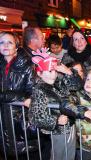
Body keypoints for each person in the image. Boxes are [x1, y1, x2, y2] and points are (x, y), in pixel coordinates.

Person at [29, 48, 91, 160]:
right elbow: (35, 117)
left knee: (69, 156)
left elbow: (76, 86)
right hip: (56, 132)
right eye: (50, 71)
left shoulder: (58, 84)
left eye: (54, 71)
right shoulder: (39, 90)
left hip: (69, 128)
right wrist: (56, 120)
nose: (53, 74)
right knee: (58, 156)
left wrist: (68, 71)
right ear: (40, 73)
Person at [0, 31, 37, 159]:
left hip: (20, 121)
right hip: (2, 121)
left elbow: (32, 92)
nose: (5, 45)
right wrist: (20, 98)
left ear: (16, 46)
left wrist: (7, 96)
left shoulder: (27, 65)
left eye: (9, 42)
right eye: (2, 42)